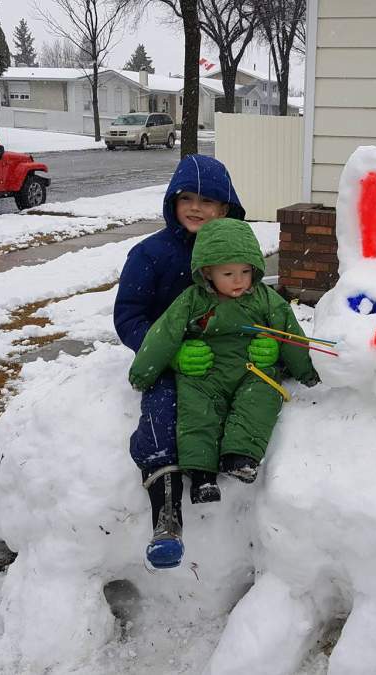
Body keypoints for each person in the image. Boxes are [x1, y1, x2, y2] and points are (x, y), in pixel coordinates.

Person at [129, 218, 319, 566]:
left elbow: (289, 333)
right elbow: (165, 334)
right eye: (228, 274)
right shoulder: (192, 301)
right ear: (207, 272)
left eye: (245, 272)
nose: (238, 281)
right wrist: (145, 370)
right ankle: (202, 475)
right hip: (206, 371)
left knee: (261, 398)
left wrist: (305, 369)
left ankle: (240, 456)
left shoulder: (265, 299)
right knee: (196, 409)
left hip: (251, 368)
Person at [114, 154, 264, 570]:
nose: (196, 208)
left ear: (226, 207)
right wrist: (169, 351)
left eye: (208, 200)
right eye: (186, 198)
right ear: (172, 202)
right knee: (163, 411)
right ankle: (166, 514)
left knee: (256, 400)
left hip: (230, 360)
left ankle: (238, 469)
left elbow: (263, 306)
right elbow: (129, 317)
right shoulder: (150, 255)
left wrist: (265, 344)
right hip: (169, 361)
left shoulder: (239, 252)